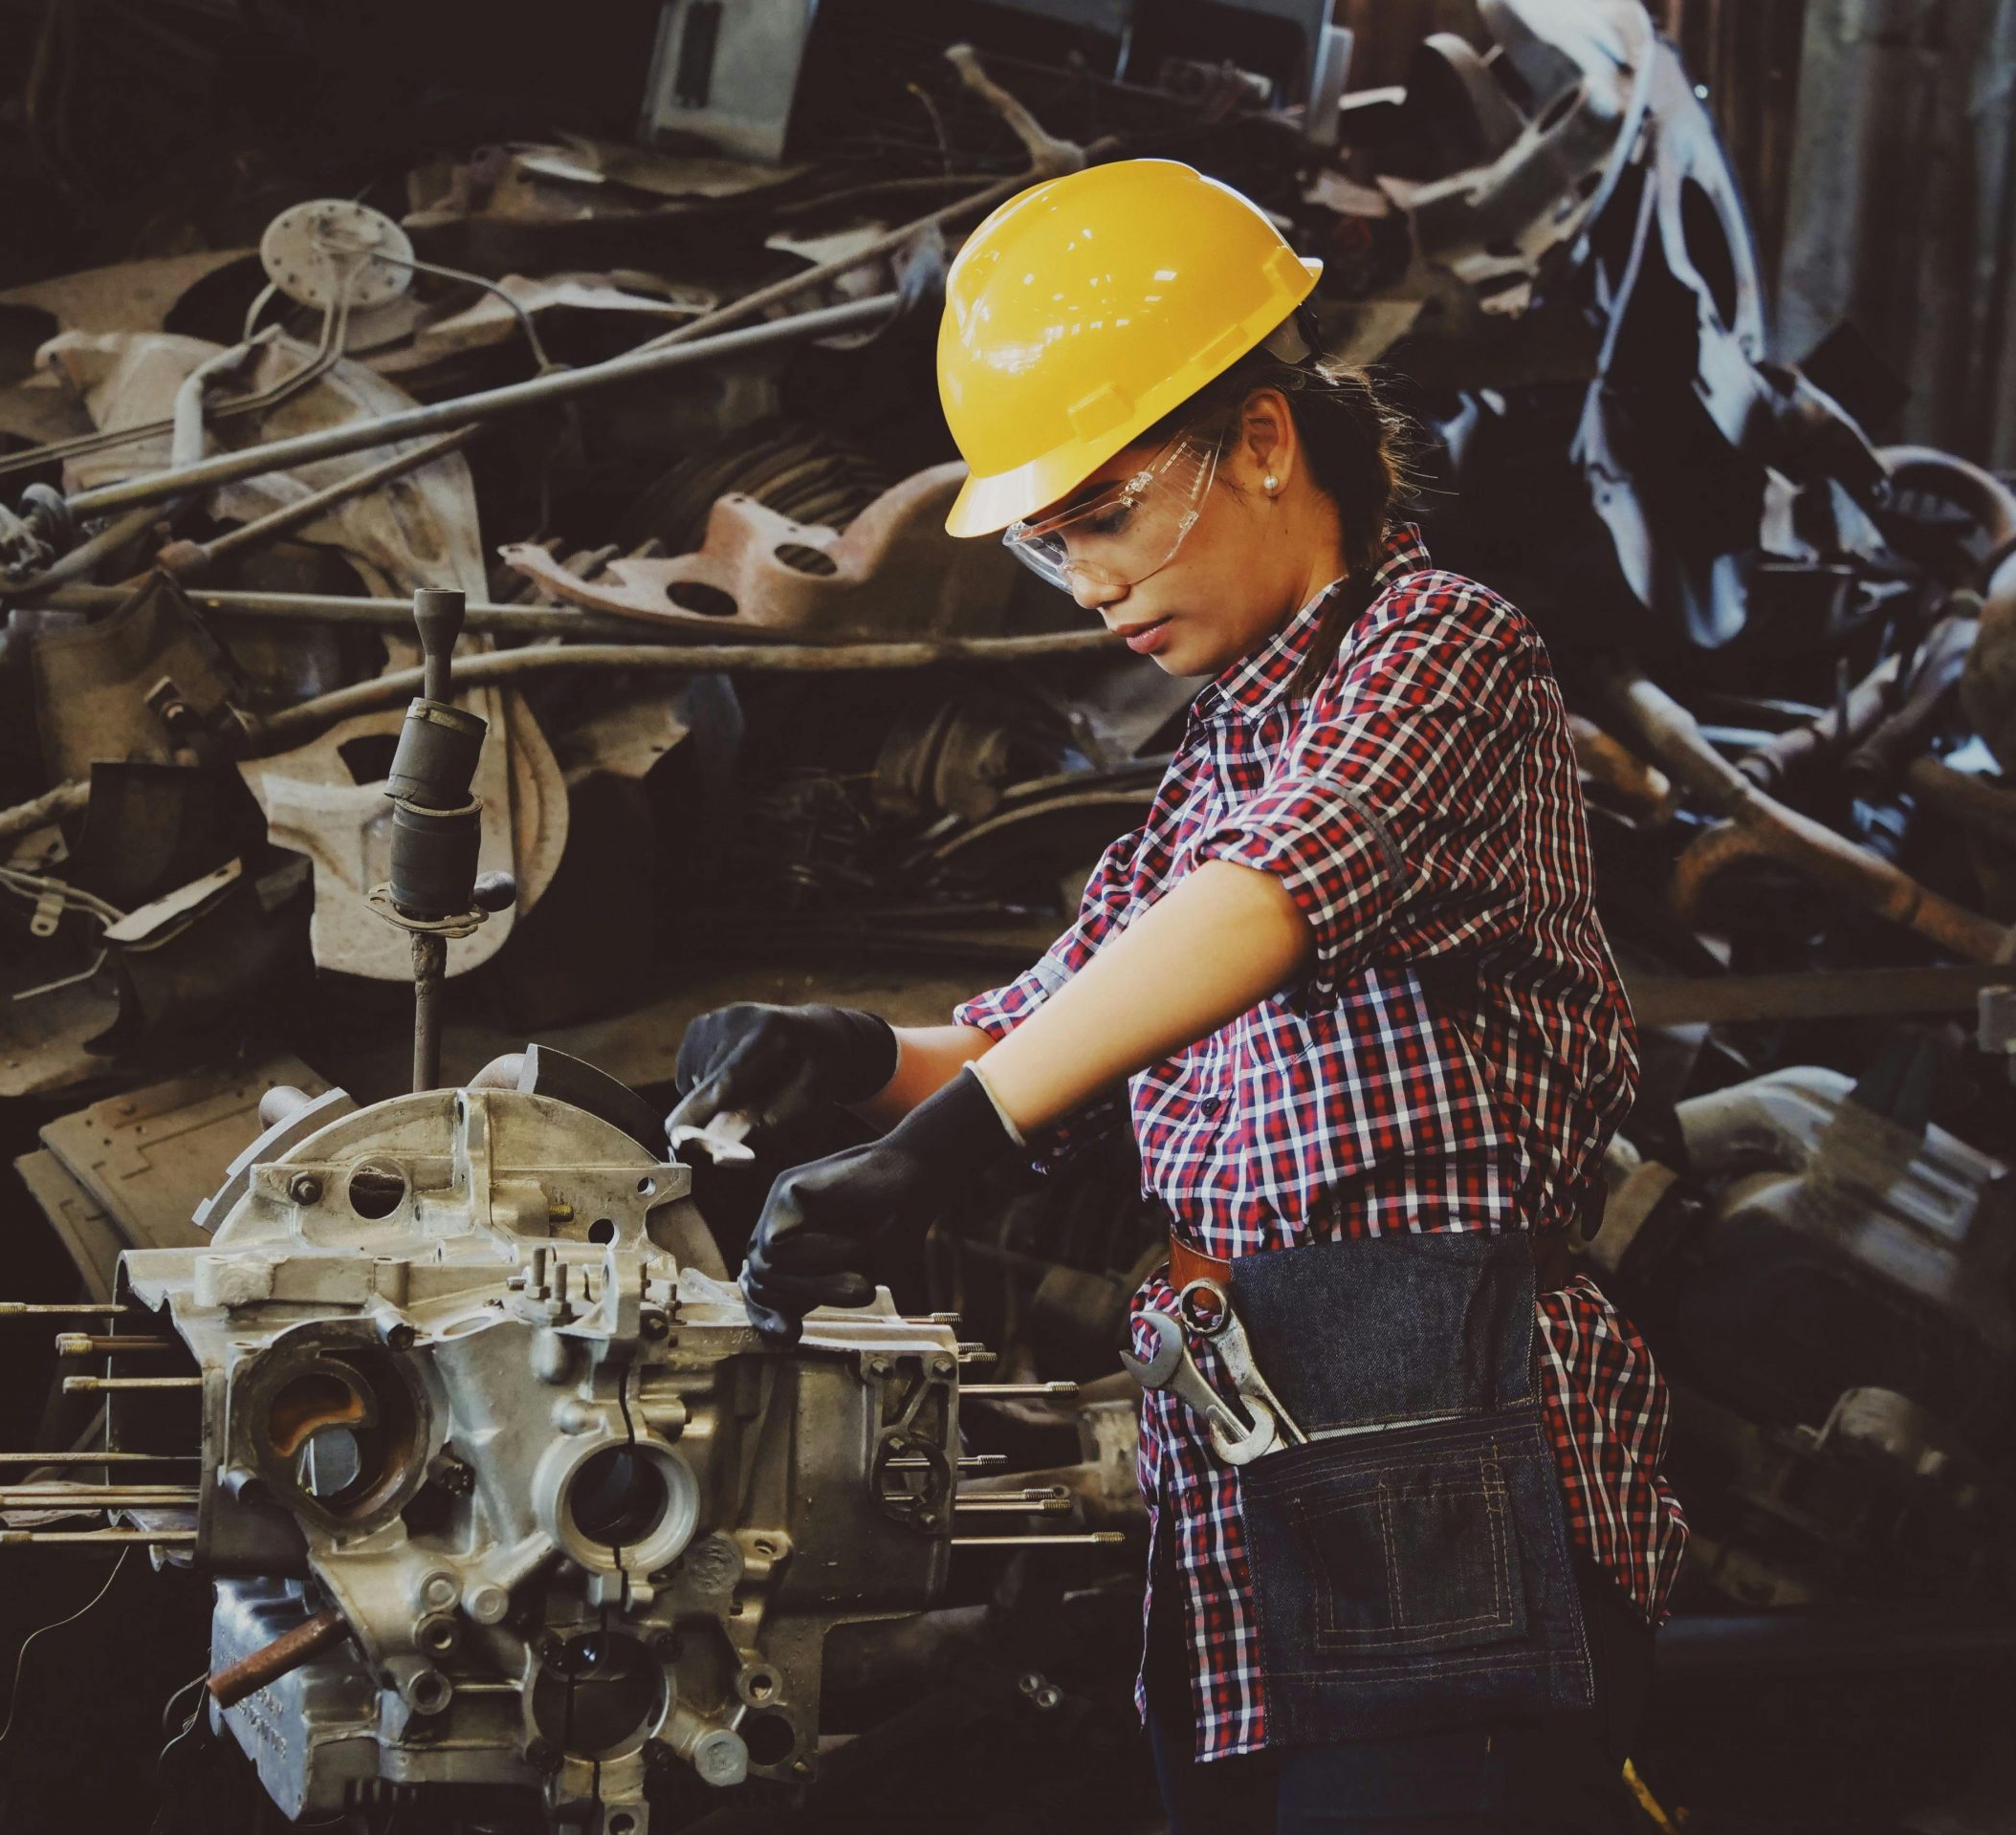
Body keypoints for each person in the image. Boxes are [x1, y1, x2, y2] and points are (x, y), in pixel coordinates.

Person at [667, 159, 1686, 1833]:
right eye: (1056, 544)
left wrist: (956, 1145)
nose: (1088, 585)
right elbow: (1043, 1025)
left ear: (1266, 441)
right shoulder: (1219, 755)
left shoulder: (1442, 650)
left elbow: (1267, 900)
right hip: (1246, 1453)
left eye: (1111, 514)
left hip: (1442, 1437)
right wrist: (847, 1058)